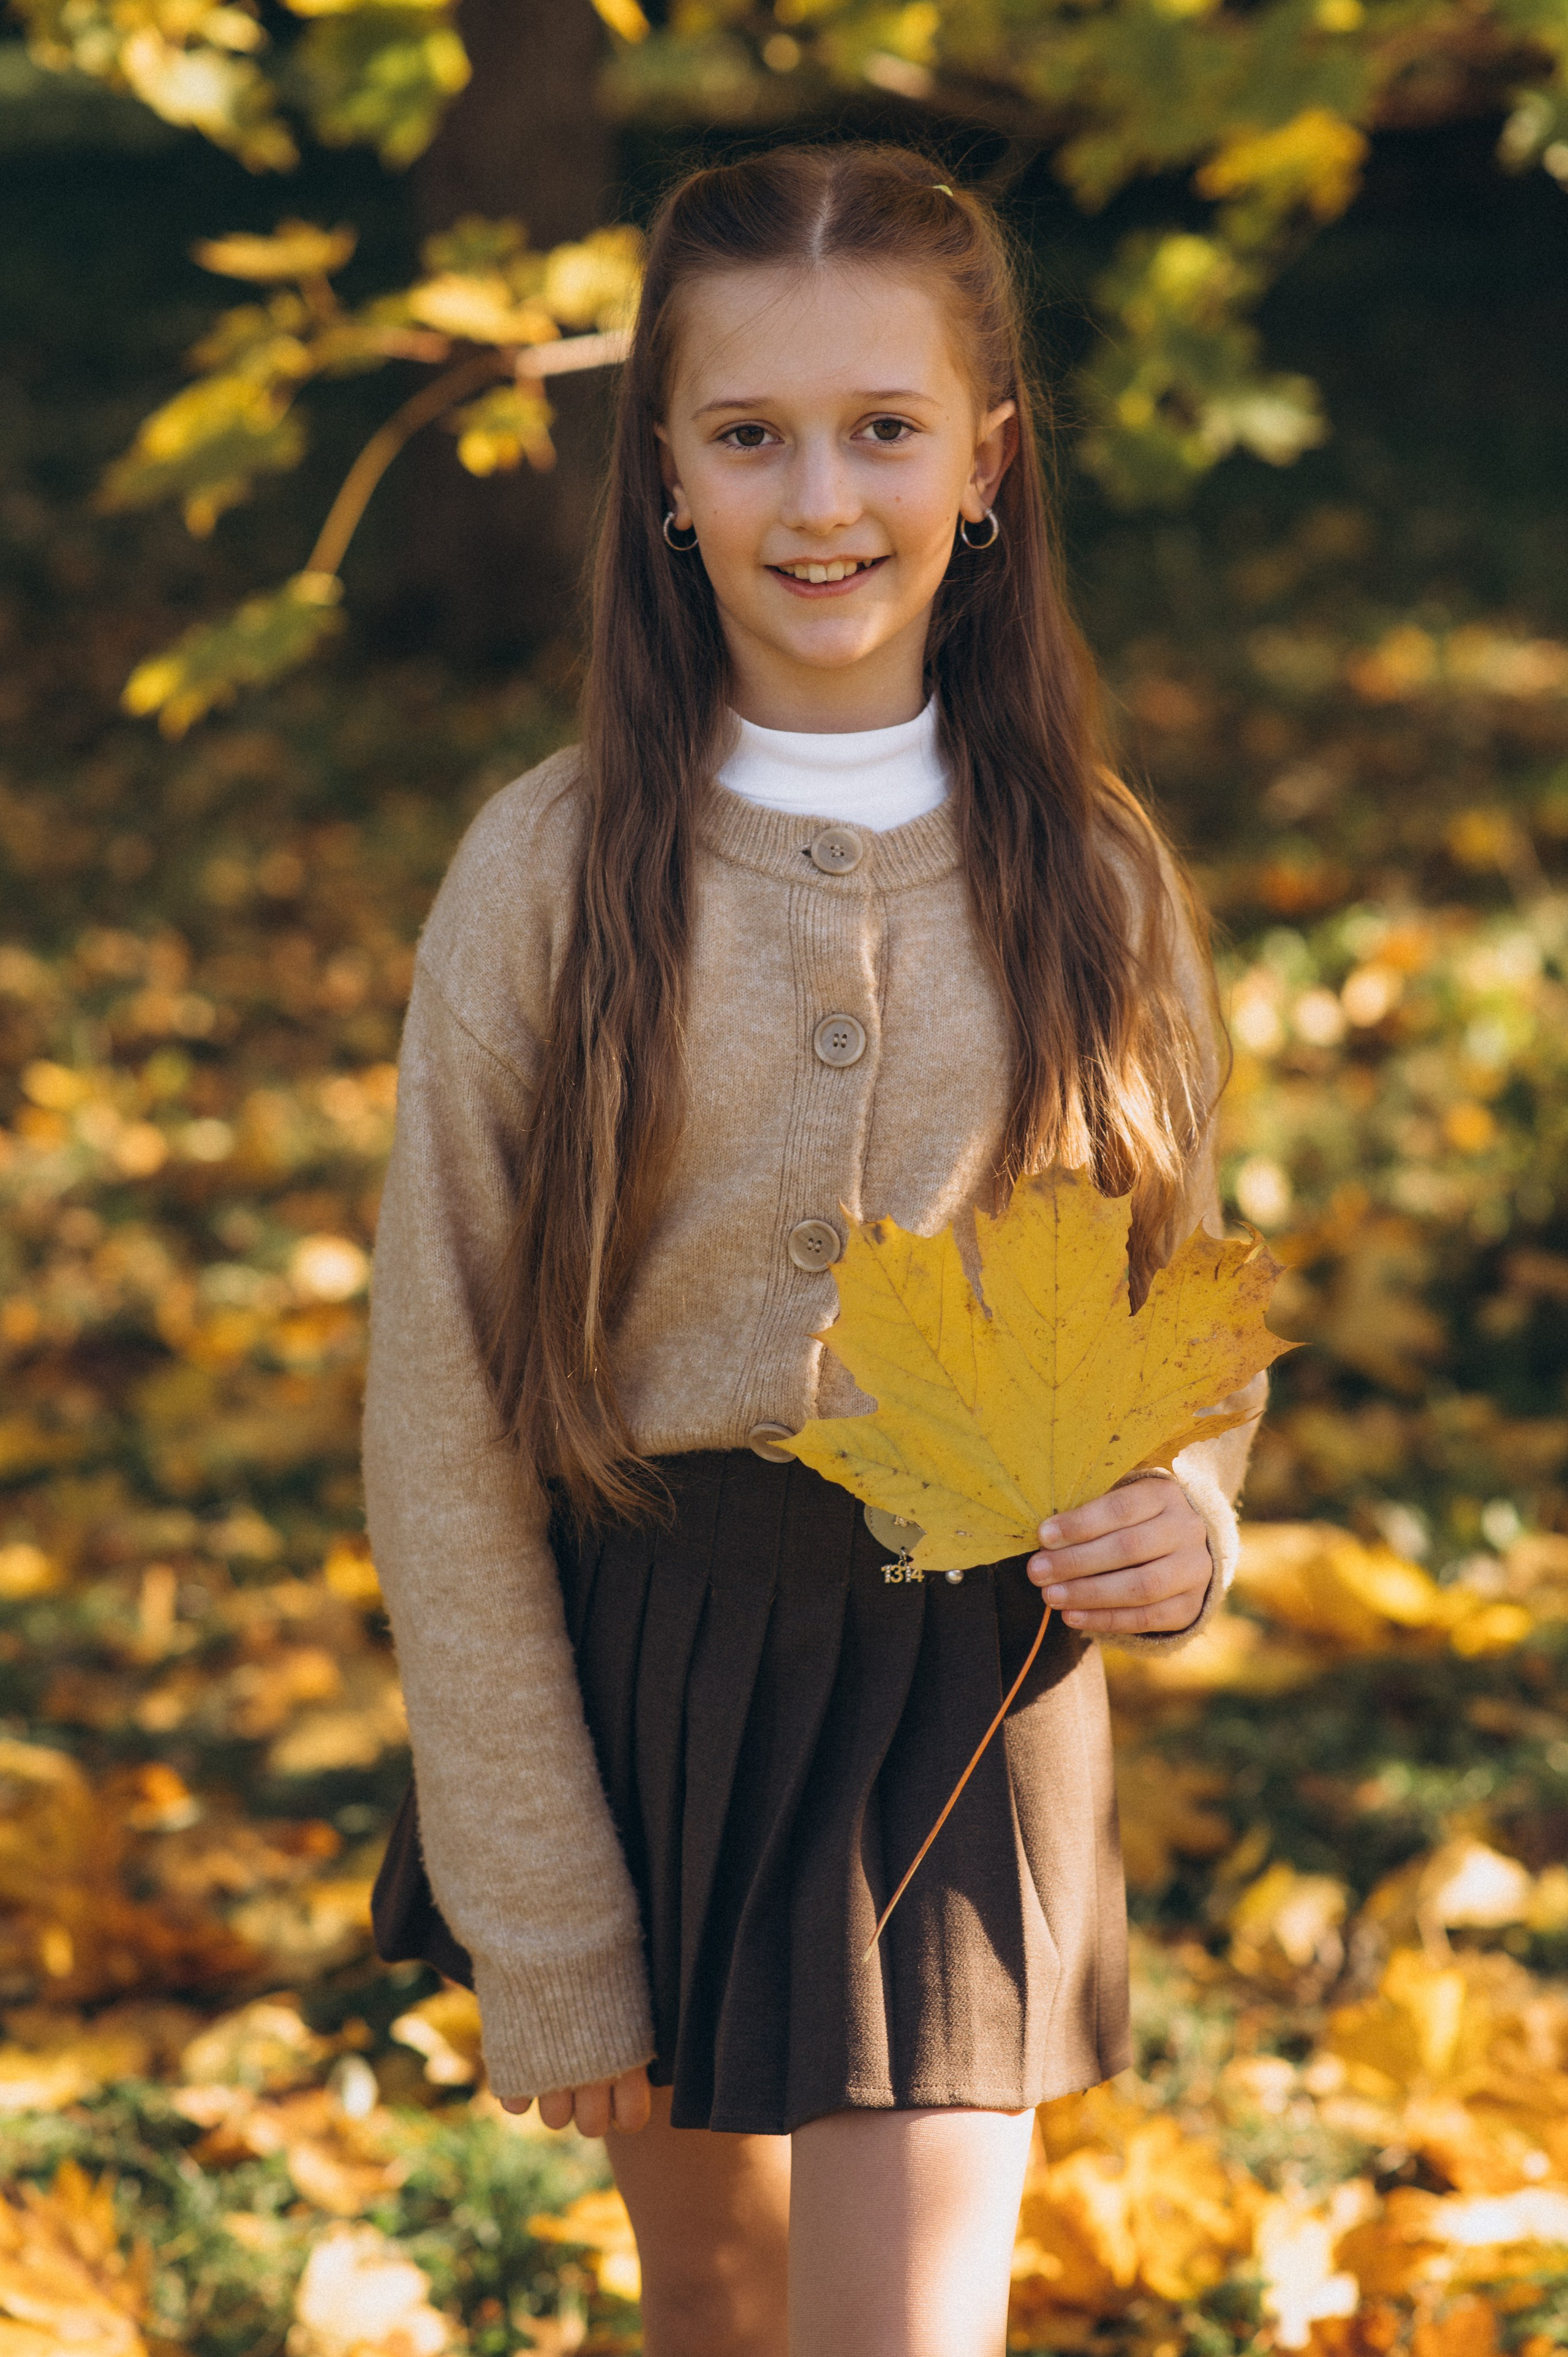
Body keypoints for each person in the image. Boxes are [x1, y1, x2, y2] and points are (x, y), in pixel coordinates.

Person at [364, 143, 1265, 2357]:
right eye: (749, 435)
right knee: (729, 2314)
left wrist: (1194, 1520)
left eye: (884, 428)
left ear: (988, 461)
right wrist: (551, 1911)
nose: (820, 497)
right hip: (654, 1667)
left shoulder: (1097, 882)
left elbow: (1186, 1320)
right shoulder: (552, 875)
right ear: (661, 471)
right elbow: (445, 1423)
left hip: (972, 1690)